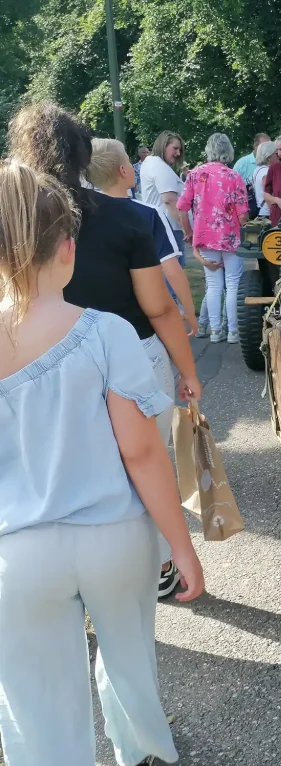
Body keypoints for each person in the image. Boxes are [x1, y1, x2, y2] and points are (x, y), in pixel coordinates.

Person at [0, 160, 205, 766]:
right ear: (68, 246)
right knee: (129, 659)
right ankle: (139, 752)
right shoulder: (106, 333)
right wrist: (180, 546)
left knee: (35, 699)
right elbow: (141, 452)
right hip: (114, 535)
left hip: (18, 548)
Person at [8, 102, 201, 597]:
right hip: (133, 352)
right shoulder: (130, 217)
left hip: (37, 359)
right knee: (146, 462)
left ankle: (71, 582)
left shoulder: (16, 221)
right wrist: (187, 370)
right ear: (83, 154)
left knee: (57, 466)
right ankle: (160, 564)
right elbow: (158, 307)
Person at [87, 138, 199, 338]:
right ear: (123, 170)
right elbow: (172, 270)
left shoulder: (83, 213)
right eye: (129, 162)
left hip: (94, 326)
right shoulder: (148, 213)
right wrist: (189, 311)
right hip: (139, 325)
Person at [178, 133, 248, 344]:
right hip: (231, 237)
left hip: (205, 236)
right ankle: (233, 331)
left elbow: (182, 207)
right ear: (228, 150)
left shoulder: (194, 174)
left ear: (209, 150)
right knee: (233, 283)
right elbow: (243, 215)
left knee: (213, 284)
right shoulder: (234, 176)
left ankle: (215, 331)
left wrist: (188, 232)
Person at [139, 131, 186, 258]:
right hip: (169, 228)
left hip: (163, 226)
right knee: (174, 267)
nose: (178, 153)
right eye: (175, 148)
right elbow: (169, 200)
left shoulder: (152, 163)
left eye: (180, 150)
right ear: (163, 145)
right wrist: (186, 228)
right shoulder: (159, 166)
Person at [252, 140, 277, 218]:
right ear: (269, 157)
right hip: (268, 213)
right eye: (275, 153)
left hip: (262, 210)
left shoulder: (257, 169)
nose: (278, 156)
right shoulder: (266, 172)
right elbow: (268, 194)